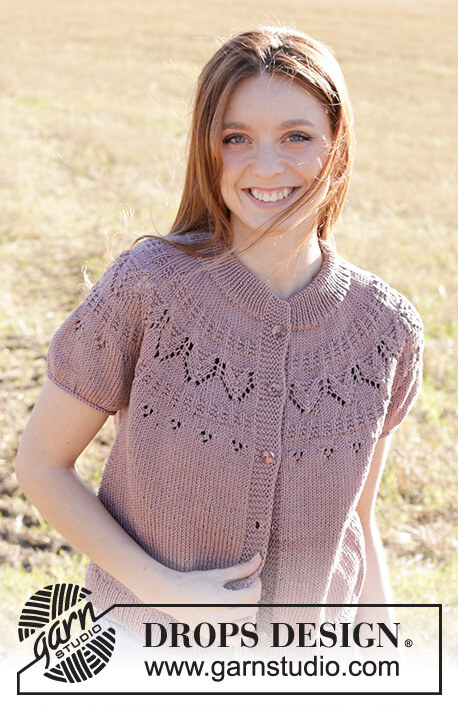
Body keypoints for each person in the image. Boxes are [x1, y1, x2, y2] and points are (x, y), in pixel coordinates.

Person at [15, 26, 423, 657]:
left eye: (297, 136)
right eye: (237, 139)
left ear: (336, 146)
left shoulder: (385, 328)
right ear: (207, 150)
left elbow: (358, 522)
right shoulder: (149, 287)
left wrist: (384, 662)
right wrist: (160, 587)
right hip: (142, 657)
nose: (267, 166)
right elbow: (42, 465)